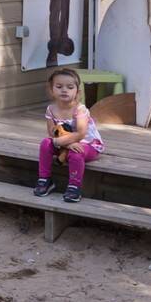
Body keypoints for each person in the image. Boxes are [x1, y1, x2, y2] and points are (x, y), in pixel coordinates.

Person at [34, 67, 103, 203]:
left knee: (75, 154)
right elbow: (52, 132)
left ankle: (74, 187)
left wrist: (64, 143)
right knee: (45, 143)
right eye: (59, 86)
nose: (64, 90)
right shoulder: (51, 109)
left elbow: (81, 133)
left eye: (70, 87)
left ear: (77, 91)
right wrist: (67, 143)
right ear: (51, 90)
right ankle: (45, 179)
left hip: (87, 143)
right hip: (64, 142)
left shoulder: (79, 109)